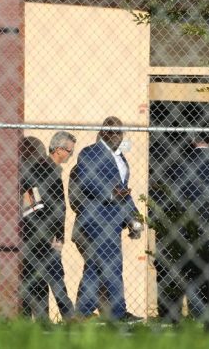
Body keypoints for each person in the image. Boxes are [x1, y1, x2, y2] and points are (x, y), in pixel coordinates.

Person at [151, 132, 209, 324]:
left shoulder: (178, 164)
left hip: (183, 226)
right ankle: (207, 318)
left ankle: (174, 319)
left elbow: (166, 195)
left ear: (192, 141)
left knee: (183, 272)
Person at [70, 116, 142, 322]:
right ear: (105, 132)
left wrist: (134, 219)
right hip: (96, 219)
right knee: (113, 264)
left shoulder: (121, 158)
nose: (118, 137)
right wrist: (110, 194)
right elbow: (86, 181)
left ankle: (82, 313)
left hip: (114, 221)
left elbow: (124, 192)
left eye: (121, 133)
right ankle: (119, 313)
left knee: (95, 266)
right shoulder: (90, 153)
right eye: (115, 133)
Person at [19, 133, 76, 321]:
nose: (70, 155)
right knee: (54, 277)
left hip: (34, 234)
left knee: (37, 279)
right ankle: (68, 316)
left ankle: (40, 320)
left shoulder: (41, 170)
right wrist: (57, 237)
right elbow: (53, 208)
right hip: (45, 235)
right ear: (58, 150)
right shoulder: (47, 171)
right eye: (69, 151)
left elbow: (32, 203)